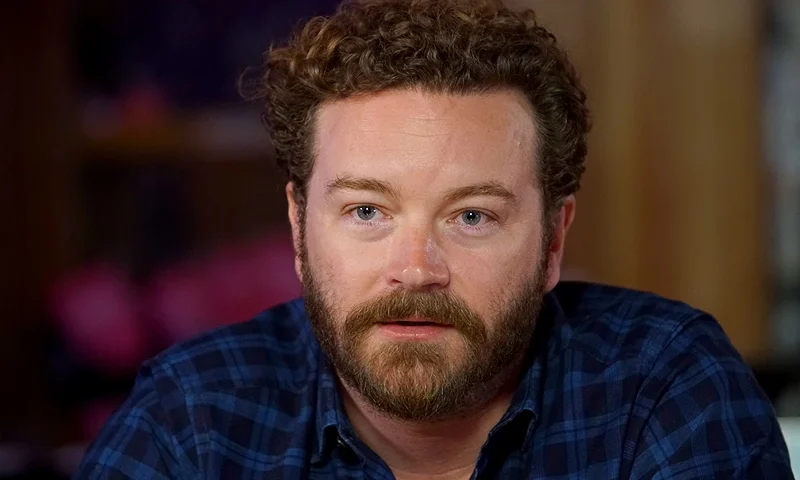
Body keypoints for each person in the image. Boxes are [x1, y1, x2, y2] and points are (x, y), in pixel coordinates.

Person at [74, 0, 793, 478]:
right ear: (298, 229)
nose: (415, 270)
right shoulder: (193, 419)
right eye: (366, 213)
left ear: (552, 242)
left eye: (471, 216)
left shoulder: (663, 387)